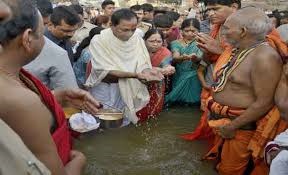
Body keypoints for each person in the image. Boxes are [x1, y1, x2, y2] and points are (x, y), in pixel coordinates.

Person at [0, 0, 101, 174]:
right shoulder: (21, 101)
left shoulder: (11, 78)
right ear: (27, 38)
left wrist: (58, 96)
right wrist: (79, 162)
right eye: (43, 31)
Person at [203, 7, 287, 175]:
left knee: (230, 171)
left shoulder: (264, 57)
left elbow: (264, 102)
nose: (223, 32)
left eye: (227, 28)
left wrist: (233, 126)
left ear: (242, 31)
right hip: (224, 123)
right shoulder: (240, 49)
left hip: (239, 128)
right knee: (219, 165)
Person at [86, 9, 163, 124]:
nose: (130, 34)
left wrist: (148, 72)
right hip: (104, 88)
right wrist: (136, 75)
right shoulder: (99, 40)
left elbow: (143, 62)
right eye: (125, 30)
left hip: (128, 88)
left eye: (133, 29)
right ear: (112, 25)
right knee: (98, 121)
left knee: (123, 121)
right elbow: (105, 70)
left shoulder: (136, 39)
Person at [24, 0, 78, 90]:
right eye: (66, 31)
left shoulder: (65, 41)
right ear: (50, 25)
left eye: (74, 30)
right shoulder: (38, 45)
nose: (71, 34)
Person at [137, 29, 175, 122]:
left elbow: (167, 64)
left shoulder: (165, 52)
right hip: (137, 81)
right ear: (144, 40)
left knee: (153, 110)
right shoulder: (137, 50)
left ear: (163, 42)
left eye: (159, 41)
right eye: (151, 41)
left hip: (156, 84)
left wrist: (168, 68)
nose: (155, 44)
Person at [165, 18, 203, 105]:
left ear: (199, 31)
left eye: (193, 31)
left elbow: (201, 58)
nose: (190, 33)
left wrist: (195, 58)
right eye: (187, 31)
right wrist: (183, 57)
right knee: (177, 99)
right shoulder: (175, 43)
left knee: (194, 101)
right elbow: (175, 57)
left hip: (194, 74)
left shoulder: (202, 43)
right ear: (181, 31)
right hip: (180, 73)